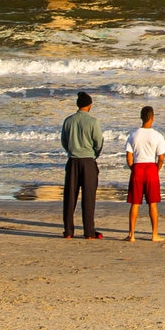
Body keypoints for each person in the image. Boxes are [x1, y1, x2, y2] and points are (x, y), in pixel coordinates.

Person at [59, 92, 103, 239]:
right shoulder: (93, 122)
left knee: (70, 197)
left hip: (73, 160)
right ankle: (89, 231)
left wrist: (72, 150)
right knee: (88, 197)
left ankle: (68, 231)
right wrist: (94, 154)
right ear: (89, 105)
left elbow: (64, 142)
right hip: (88, 161)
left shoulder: (68, 121)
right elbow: (98, 142)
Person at [125, 105, 165, 242]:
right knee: (153, 203)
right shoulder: (157, 135)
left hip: (138, 167)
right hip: (151, 168)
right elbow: (161, 157)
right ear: (152, 118)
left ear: (141, 117)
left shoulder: (133, 135)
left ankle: (132, 234)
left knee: (135, 203)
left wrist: (133, 169)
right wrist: (157, 169)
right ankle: (154, 234)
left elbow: (129, 157)